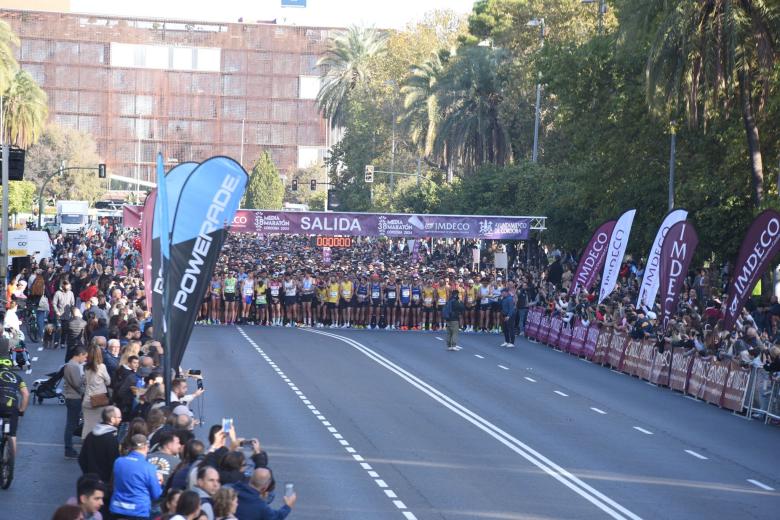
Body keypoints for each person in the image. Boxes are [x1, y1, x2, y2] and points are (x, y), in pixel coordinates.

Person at [110, 434, 163, 520]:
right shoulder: (149, 468)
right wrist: (159, 483)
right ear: (146, 447)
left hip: (117, 508)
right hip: (139, 511)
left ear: (130, 446)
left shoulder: (118, 462)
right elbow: (156, 494)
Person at [79, 406, 122, 483]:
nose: (120, 419)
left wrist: (87, 474)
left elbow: (81, 458)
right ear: (112, 419)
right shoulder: (111, 439)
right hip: (105, 481)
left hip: (90, 479)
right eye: (119, 417)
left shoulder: (90, 435)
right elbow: (114, 463)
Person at [0, 357, 29, 460]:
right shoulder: (17, 377)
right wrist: (21, 410)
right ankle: (10, 462)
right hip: (12, 407)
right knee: (12, 435)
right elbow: (25, 394)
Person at [82, 342, 111, 440]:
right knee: (99, 423)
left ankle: (85, 442)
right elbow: (108, 381)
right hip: (99, 400)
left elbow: (83, 382)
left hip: (87, 399)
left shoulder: (85, 367)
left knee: (87, 424)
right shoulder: (102, 367)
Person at [64, 347, 88, 458]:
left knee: (71, 424)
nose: (85, 359)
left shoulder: (71, 365)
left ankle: (69, 448)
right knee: (71, 425)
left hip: (72, 397)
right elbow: (77, 384)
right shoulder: (73, 366)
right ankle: (68, 449)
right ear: (80, 354)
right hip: (74, 398)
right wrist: (85, 378)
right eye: (85, 356)